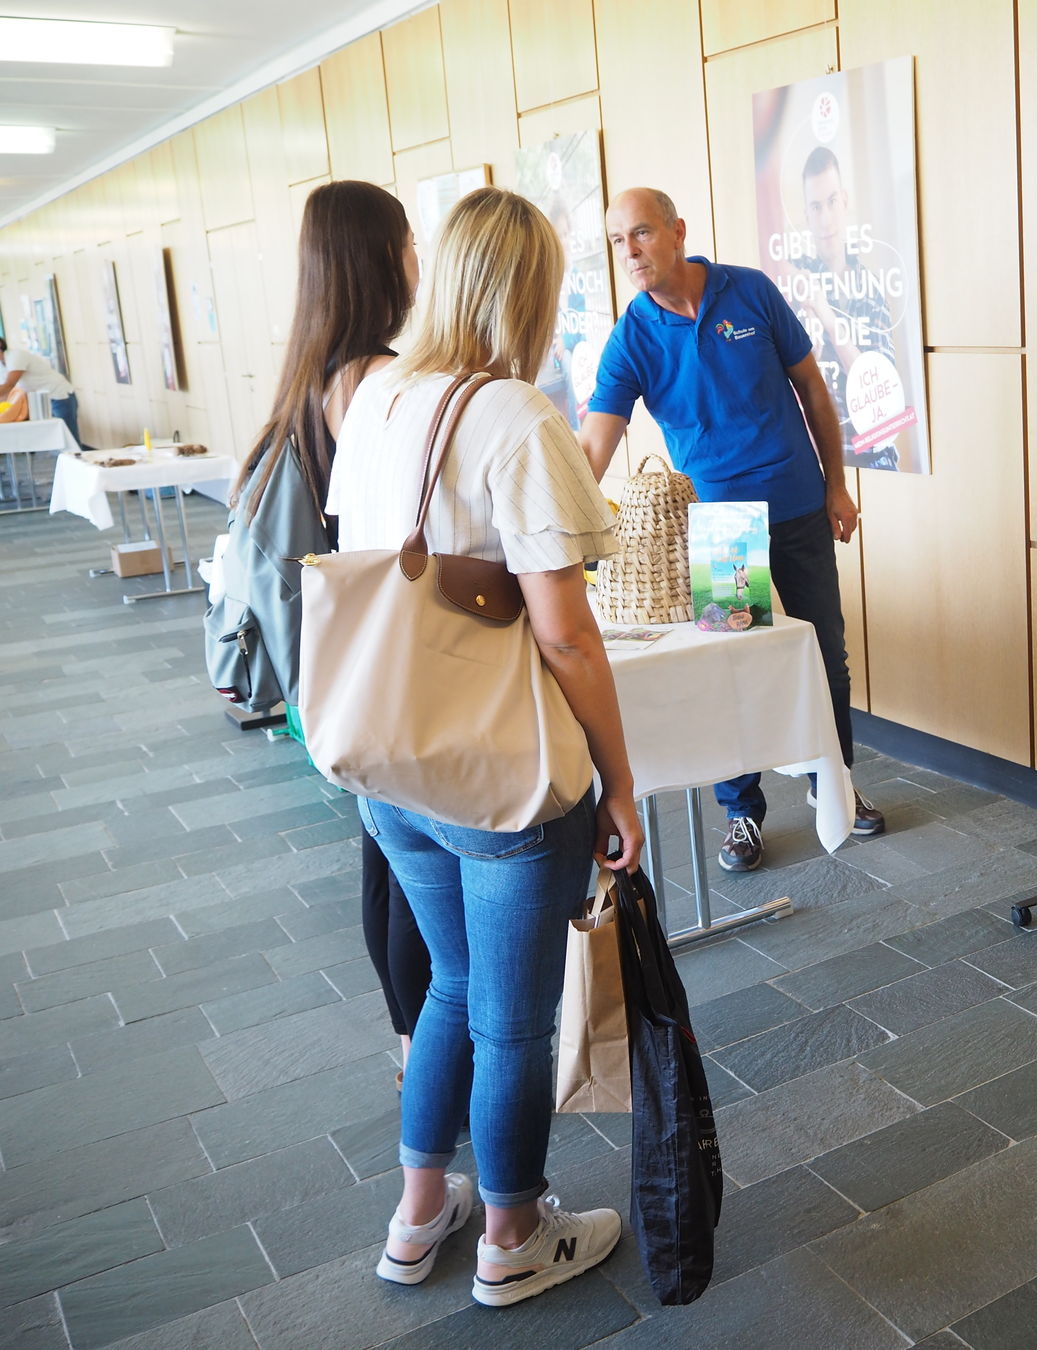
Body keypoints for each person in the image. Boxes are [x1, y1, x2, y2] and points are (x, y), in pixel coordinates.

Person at [329, 187, 643, 1307]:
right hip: (496, 778)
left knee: (453, 986)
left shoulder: (369, 400)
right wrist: (621, 779)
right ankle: (513, 1235)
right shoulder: (517, 419)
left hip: (385, 757)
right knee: (515, 1015)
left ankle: (420, 1216)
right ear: (535, 291)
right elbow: (562, 631)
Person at [579, 186, 886, 873]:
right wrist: (557, 519)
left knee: (822, 656)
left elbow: (812, 389)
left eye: (641, 234)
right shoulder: (631, 338)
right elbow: (593, 447)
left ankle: (832, 786)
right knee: (731, 666)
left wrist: (837, 483)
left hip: (799, 502)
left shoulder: (749, 293)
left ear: (677, 230)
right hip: (719, 528)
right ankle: (742, 813)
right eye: (617, 241)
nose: (628, 252)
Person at [234, 180, 431, 1096]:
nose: (416, 258)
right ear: (379, 260)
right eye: (406, 241)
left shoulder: (310, 379)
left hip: (334, 670)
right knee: (412, 872)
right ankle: (424, 1052)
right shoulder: (376, 381)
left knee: (384, 860)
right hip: (386, 662)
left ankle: (408, 1045)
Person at [792, 146, 900, 471]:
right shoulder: (792, 283)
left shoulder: (872, 290)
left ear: (845, 201)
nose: (825, 219)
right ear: (806, 215)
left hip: (874, 458)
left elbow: (881, 392)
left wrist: (828, 319)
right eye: (815, 206)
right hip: (818, 462)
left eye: (831, 202)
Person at [0, 337, 80, 447]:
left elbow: (9, 385)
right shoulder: (2, 365)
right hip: (40, 401)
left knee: (69, 438)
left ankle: (80, 462)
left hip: (59, 395)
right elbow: (5, 393)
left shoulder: (15, 356)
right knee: (54, 439)